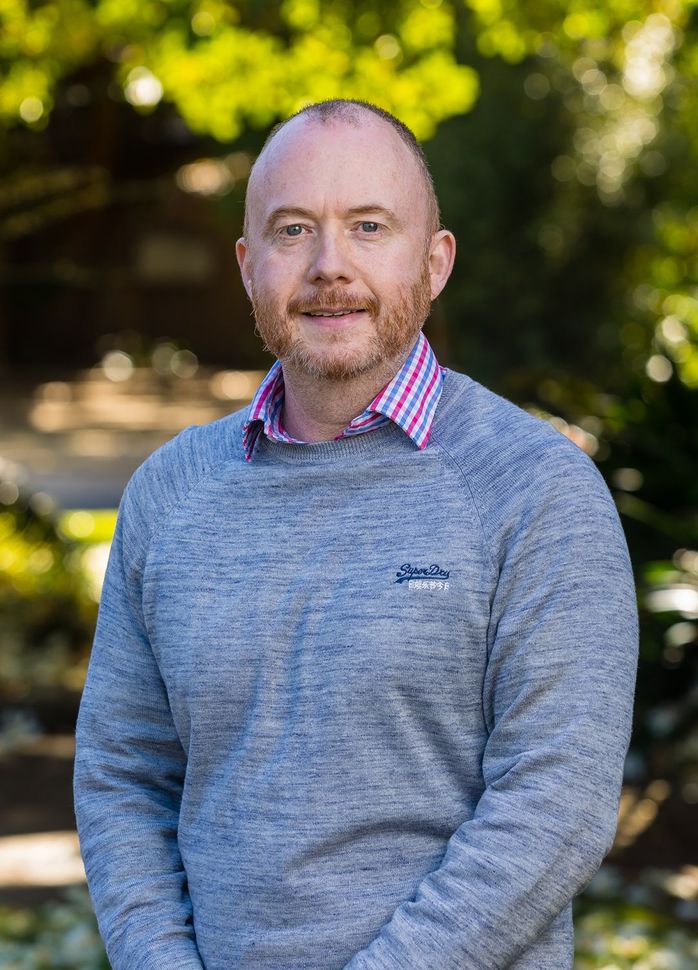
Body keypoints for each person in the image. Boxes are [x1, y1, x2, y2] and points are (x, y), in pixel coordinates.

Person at [73, 99, 639, 970]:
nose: (329, 265)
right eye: (293, 230)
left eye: (369, 226)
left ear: (435, 261)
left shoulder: (536, 492)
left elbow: (555, 805)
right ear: (248, 265)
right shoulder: (170, 492)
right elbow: (121, 775)